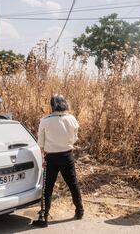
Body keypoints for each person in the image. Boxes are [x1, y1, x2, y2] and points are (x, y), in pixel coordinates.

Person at [33, 94, 84, 228]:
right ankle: (79, 211)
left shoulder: (45, 120)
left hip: (51, 157)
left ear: (52, 105)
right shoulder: (72, 119)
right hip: (67, 156)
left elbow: (41, 143)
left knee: (47, 188)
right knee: (73, 184)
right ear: (64, 104)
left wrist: (44, 154)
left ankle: (43, 218)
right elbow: (75, 139)